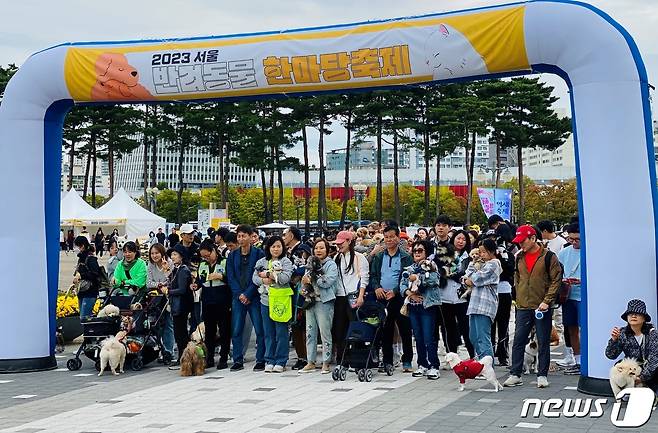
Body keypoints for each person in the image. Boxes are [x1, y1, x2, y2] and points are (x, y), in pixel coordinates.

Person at [503, 225, 562, 389]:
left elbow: (556, 280)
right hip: (523, 305)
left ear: (533, 238)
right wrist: (517, 298)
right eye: (519, 241)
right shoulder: (518, 257)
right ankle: (515, 373)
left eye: (523, 241)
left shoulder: (549, 257)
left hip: (542, 306)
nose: (520, 244)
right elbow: (517, 278)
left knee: (543, 341)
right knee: (518, 340)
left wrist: (547, 301)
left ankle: (542, 375)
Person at [369, 224, 414, 373]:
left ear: (398, 237)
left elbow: (406, 278)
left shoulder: (405, 256)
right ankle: (387, 360)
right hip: (382, 297)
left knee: (404, 329)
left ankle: (407, 359)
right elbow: (373, 275)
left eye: (391, 237)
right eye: (386, 237)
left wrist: (395, 291)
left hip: (399, 297)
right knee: (385, 329)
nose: (388, 240)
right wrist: (377, 288)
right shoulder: (379, 256)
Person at [226, 224, 266, 371]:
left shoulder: (259, 254)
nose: (241, 239)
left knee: (259, 329)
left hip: (254, 296)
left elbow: (259, 276)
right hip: (238, 297)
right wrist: (240, 294)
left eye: (244, 236)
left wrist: (248, 293)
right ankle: (238, 359)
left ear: (251, 237)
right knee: (236, 329)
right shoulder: (232, 255)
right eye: (239, 236)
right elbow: (230, 276)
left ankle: (260, 359)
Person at [401, 239, 441, 379]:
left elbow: (435, 280)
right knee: (418, 337)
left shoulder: (431, 265)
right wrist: (410, 294)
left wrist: (418, 277)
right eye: (415, 250)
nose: (417, 253)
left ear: (427, 252)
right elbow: (402, 285)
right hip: (413, 307)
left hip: (427, 306)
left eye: (420, 250)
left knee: (429, 337)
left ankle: (434, 365)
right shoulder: (409, 268)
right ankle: (422, 364)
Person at [253, 236, 294, 372]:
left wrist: (267, 274)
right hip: (265, 300)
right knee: (268, 332)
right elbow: (255, 278)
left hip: (281, 301)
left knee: (281, 331)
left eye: (278, 246)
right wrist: (264, 280)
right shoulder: (261, 261)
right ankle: (269, 359)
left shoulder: (286, 262)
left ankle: (281, 360)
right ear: (268, 248)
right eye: (273, 246)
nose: (276, 249)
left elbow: (284, 278)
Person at [299, 239, 339, 374]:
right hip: (310, 301)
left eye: (322, 248)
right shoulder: (310, 263)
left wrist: (314, 278)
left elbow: (327, 282)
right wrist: (304, 282)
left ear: (327, 250)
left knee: (325, 332)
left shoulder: (331, 265)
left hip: (324, 302)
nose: (318, 251)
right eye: (316, 248)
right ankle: (310, 361)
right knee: (310, 332)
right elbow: (305, 280)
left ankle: (326, 362)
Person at [606, 299, 658, 392]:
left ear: (644, 318)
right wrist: (614, 340)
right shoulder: (622, 333)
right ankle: (622, 394)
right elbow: (611, 355)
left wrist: (641, 378)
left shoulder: (652, 334)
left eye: (637, 314)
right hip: (631, 371)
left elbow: (654, 360)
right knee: (615, 369)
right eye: (630, 314)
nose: (633, 316)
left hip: (650, 372)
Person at [333, 230, 369, 362]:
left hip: (354, 296)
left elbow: (364, 277)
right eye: (338, 243)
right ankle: (342, 358)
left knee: (355, 329)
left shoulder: (359, 257)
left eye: (342, 243)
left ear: (349, 241)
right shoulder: (337, 257)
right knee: (339, 329)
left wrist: (361, 296)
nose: (339, 246)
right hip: (339, 297)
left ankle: (357, 357)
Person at [463, 239, 501, 360]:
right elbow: (466, 276)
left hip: (485, 305)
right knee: (473, 336)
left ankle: (487, 365)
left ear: (492, 251)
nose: (481, 255)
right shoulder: (479, 263)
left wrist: (468, 279)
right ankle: (480, 362)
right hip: (475, 304)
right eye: (480, 252)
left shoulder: (494, 263)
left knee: (482, 337)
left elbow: (476, 278)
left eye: (484, 252)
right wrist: (467, 279)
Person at [196, 239, 231, 369]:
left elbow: (232, 280)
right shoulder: (202, 264)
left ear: (214, 251)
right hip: (207, 301)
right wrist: (195, 285)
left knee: (224, 330)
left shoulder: (225, 262)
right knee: (209, 331)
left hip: (222, 300)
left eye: (207, 255)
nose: (206, 258)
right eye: (203, 256)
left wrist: (221, 277)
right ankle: (209, 357)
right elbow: (200, 280)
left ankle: (223, 357)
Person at [283, 226, 312, 370]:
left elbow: (305, 268)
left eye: (285, 234)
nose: (284, 237)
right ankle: (301, 356)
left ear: (292, 235)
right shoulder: (288, 251)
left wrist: (290, 272)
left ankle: (306, 357)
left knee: (301, 323)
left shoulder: (302, 249)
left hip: (302, 292)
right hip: (291, 291)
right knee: (295, 324)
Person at [443, 229, 475, 358]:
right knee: (449, 328)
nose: (460, 241)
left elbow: (468, 274)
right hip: (445, 296)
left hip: (462, 297)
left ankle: (473, 355)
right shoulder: (445, 253)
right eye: (458, 238)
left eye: (463, 239)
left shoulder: (470, 257)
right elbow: (443, 272)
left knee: (466, 328)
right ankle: (452, 356)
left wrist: (454, 274)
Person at [557, 223, 582, 375]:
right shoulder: (564, 252)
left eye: (577, 239)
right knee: (571, 328)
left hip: (583, 296)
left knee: (584, 329)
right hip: (568, 295)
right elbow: (558, 273)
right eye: (571, 239)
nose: (574, 242)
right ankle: (577, 361)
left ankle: (586, 359)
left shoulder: (590, 251)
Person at [164, 244, 194, 370]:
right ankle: (183, 357)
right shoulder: (176, 269)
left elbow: (182, 289)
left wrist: (168, 291)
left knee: (181, 333)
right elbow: (171, 282)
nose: (172, 257)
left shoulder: (183, 270)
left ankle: (185, 357)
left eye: (175, 254)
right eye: (172, 254)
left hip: (182, 305)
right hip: (177, 305)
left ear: (181, 256)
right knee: (179, 333)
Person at [146, 243, 175, 363]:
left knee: (169, 324)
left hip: (168, 296)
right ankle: (160, 351)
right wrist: (158, 284)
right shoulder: (150, 265)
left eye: (157, 253)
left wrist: (163, 283)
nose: (154, 256)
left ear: (162, 253)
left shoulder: (169, 263)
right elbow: (148, 282)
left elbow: (172, 279)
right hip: (156, 298)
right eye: (152, 253)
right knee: (157, 325)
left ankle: (169, 351)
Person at [72, 236, 100, 319]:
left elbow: (95, 274)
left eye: (78, 246)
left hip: (90, 292)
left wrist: (82, 275)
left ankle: (88, 332)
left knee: (84, 317)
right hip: (82, 291)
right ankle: (86, 331)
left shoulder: (91, 258)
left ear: (82, 246)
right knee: (82, 317)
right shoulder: (81, 257)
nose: (77, 248)